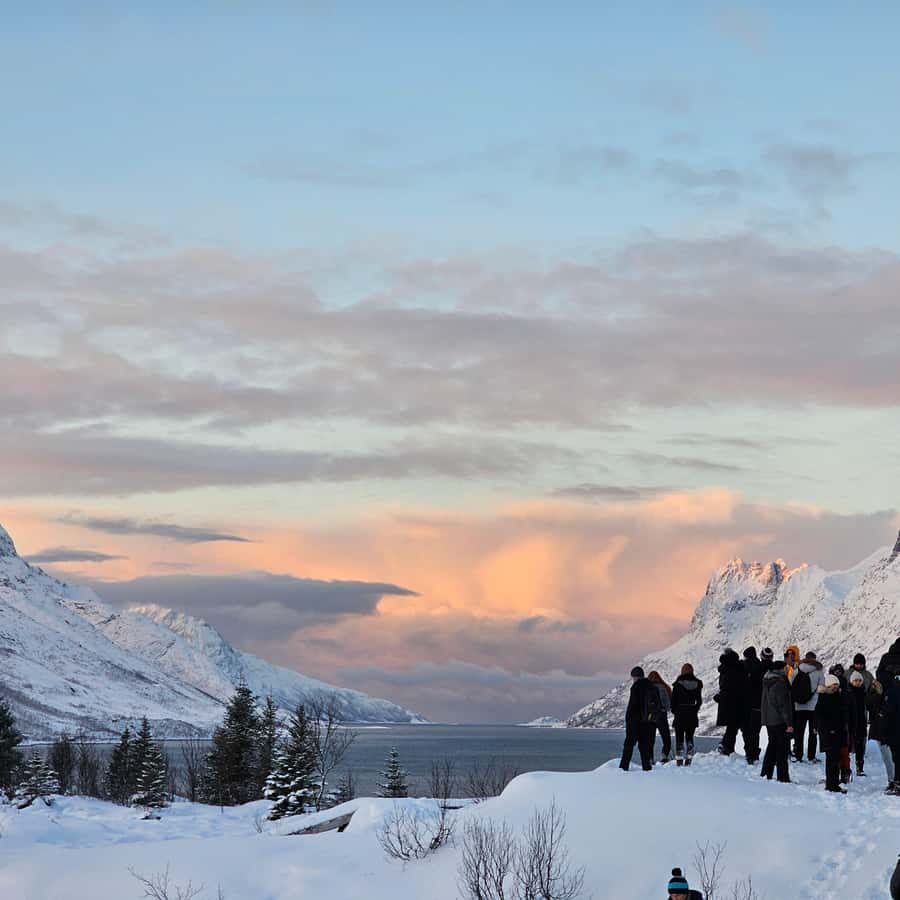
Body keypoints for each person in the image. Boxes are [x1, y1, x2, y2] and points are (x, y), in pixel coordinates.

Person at [760, 658, 793, 782]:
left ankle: (766, 773)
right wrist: (789, 723)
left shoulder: (768, 681)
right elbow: (784, 705)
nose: (786, 670)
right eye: (785, 668)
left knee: (772, 746)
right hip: (779, 721)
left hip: (769, 720)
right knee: (782, 749)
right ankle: (783, 777)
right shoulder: (780, 683)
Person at [815, 672, 849, 793]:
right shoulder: (824, 698)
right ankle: (831, 784)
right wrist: (829, 729)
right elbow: (820, 718)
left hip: (837, 733)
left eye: (836, 684)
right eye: (832, 685)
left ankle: (833, 782)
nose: (835, 687)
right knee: (832, 760)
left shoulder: (837, 697)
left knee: (836, 759)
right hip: (830, 734)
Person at [620, 666, 655, 772]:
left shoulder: (635, 687)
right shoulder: (651, 686)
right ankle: (646, 767)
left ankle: (623, 767)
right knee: (644, 746)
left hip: (635, 721)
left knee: (629, 744)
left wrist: (628, 718)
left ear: (635, 677)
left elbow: (633, 705)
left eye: (633, 677)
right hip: (647, 721)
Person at [792, 650, 824, 763]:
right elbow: (821, 689)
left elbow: (792, 686)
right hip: (814, 707)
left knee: (799, 732)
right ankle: (811, 756)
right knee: (813, 732)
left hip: (799, 706)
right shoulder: (819, 671)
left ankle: (798, 755)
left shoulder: (797, 670)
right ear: (815, 659)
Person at [877, 639, 900, 795]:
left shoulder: (886, 658)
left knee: (893, 750)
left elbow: (880, 678)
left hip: (889, 711)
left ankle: (895, 782)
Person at [715, 648, 747, 755]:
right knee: (734, 726)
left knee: (732, 726)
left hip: (726, 701)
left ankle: (726, 746)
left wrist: (720, 697)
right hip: (738, 701)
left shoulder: (724, 669)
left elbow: (725, 686)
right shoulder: (739, 667)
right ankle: (727, 747)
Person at [672, 663, 703, 767]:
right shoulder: (697, 684)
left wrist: (675, 711)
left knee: (679, 739)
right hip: (692, 714)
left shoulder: (677, 684)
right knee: (690, 737)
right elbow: (699, 701)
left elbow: (673, 701)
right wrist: (695, 710)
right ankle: (689, 759)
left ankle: (679, 761)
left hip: (680, 713)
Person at [867, 676, 893, 788]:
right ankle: (892, 779)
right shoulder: (877, 690)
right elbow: (870, 704)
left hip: (882, 728)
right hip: (882, 727)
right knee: (888, 756)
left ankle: (893, 780)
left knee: (888, 757)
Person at [742, 647, 763, 765]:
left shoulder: (743, 667)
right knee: (755, 731)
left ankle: (749, 753)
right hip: (758, 705)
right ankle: (755, 753)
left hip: (745, 704)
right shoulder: (760, 667)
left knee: (746, 730)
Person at [647, 671, 673, 764]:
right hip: (661, 715)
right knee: (666, 738)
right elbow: (668, 704)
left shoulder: (646, 688)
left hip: (649, 716)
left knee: (650, 739)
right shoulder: (664, 687)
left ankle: (650, 759)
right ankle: (664, 756)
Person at [847, 670, 869, 776]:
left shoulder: (863, 692)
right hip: (850, 722)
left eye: (860, 680)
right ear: (851, 681)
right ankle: (845, 768)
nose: (858, 682)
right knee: (847, 746)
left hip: (860, 722)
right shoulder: (847, 692)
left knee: (860, 746)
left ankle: (860, 768)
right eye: (855, 680)